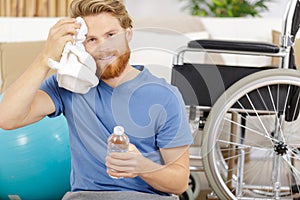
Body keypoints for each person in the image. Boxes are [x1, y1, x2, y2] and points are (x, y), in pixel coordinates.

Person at [0, 0, 193, 199]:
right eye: (91, 39)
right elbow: (7, 118)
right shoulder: (69, 86)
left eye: (111, 35)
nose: (104, 48)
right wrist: (46, 57)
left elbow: (179, 183)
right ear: (80, 44)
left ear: (128, 34)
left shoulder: (164, 95)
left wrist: (144, 167)